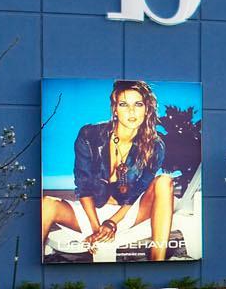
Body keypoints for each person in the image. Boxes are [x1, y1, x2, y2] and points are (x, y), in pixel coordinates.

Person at [41, 79, 175, 262]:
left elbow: (137, 191)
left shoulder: (155, 146)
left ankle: (157, 261)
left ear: (146, 109)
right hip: (91, 212)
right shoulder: (89, 135)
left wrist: (112, 222)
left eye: (138, 104)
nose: (131, 111)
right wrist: (97, 229)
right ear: (115, 109)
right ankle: (30, 269)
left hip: (128, 212)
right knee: (47, 204)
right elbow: (83, 187)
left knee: (164, 181)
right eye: (123, 104)